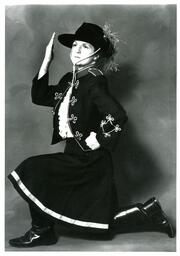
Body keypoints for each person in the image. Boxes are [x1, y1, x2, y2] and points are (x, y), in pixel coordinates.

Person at [8, 22, 175, 248]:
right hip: (75, 156)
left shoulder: (94, 81)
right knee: (92, 220)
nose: (76, 50)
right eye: (75, 45)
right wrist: (46, 63)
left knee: (33, 170)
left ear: (97, 55)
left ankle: (41, 231)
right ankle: (148, 212)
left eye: (84, 47)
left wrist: (98, 138)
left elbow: (117, 115)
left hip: (90, 161)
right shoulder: (70, 79)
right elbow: (40, 97)